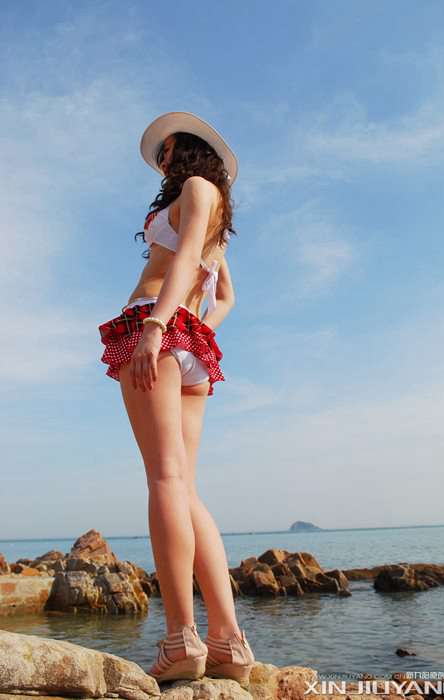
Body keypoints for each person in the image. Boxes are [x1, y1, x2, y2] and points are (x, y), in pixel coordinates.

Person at [98, 112, 255, 687]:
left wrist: (156, 327)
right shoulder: (216, 212)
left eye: (166, 149)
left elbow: (186, 258)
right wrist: (196, 330)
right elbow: (226, 295)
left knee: (164, 480)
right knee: (185, 488)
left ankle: (180, 639)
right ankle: (229, 643)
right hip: (188, 340)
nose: (161, 158)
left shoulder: (194, 188)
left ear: (189, 151)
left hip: (157, 325)